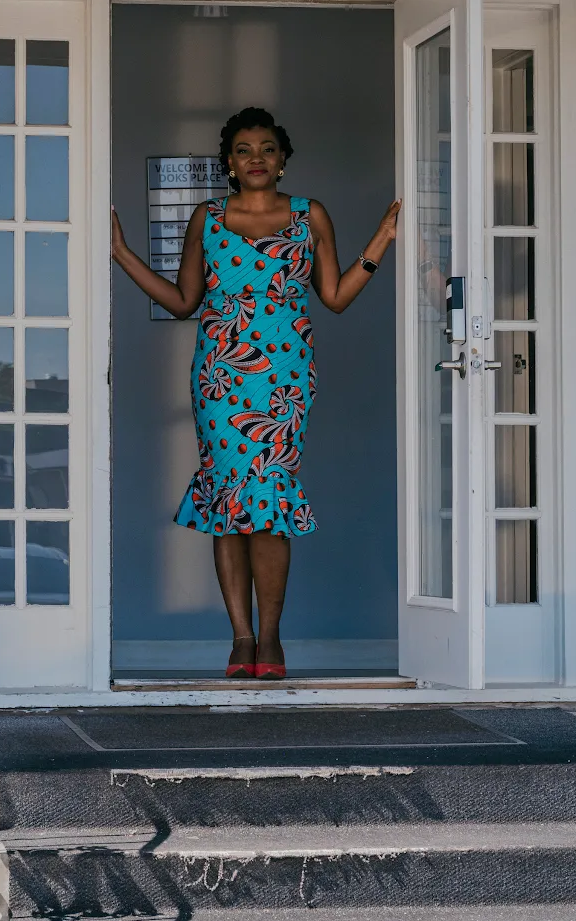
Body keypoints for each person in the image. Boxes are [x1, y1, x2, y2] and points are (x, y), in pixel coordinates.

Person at [110, 107, 401, 680]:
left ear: (283, 157)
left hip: (285, 376)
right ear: (229, 163)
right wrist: (121, 255)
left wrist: (382, 240)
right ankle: (241, 639)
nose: (257, 159)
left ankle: (270, 636)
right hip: (220, 377)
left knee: (267, 505)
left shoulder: (309, 215)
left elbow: (336, 296)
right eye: (245, 150)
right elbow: (183, 301)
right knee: (228, 504)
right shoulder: (207, 218)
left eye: (267, 148)